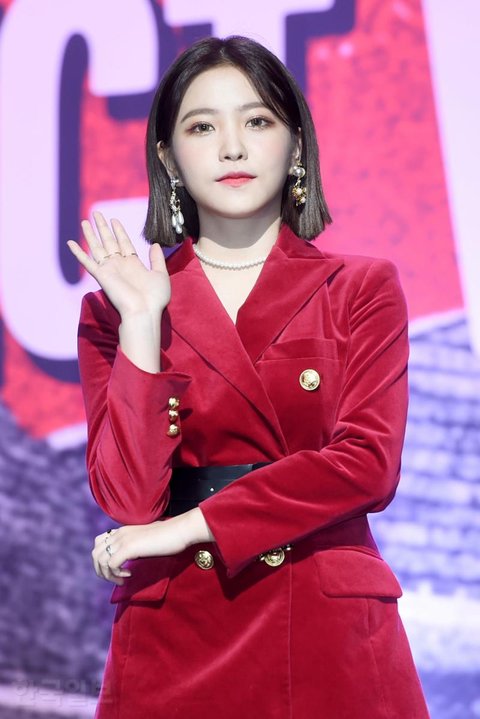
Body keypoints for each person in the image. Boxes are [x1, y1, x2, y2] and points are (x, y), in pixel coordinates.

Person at [67, 36, 430, 719]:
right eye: (203, 127)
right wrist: (143, 324)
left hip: (324, 629)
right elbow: (130, 499)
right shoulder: (114, 310)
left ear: (296, 147)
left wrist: (190, 527)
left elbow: (368, 465)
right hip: (176, 634)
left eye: (257, 121)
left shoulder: (361, 289)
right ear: (168, 159)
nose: (232, 147)